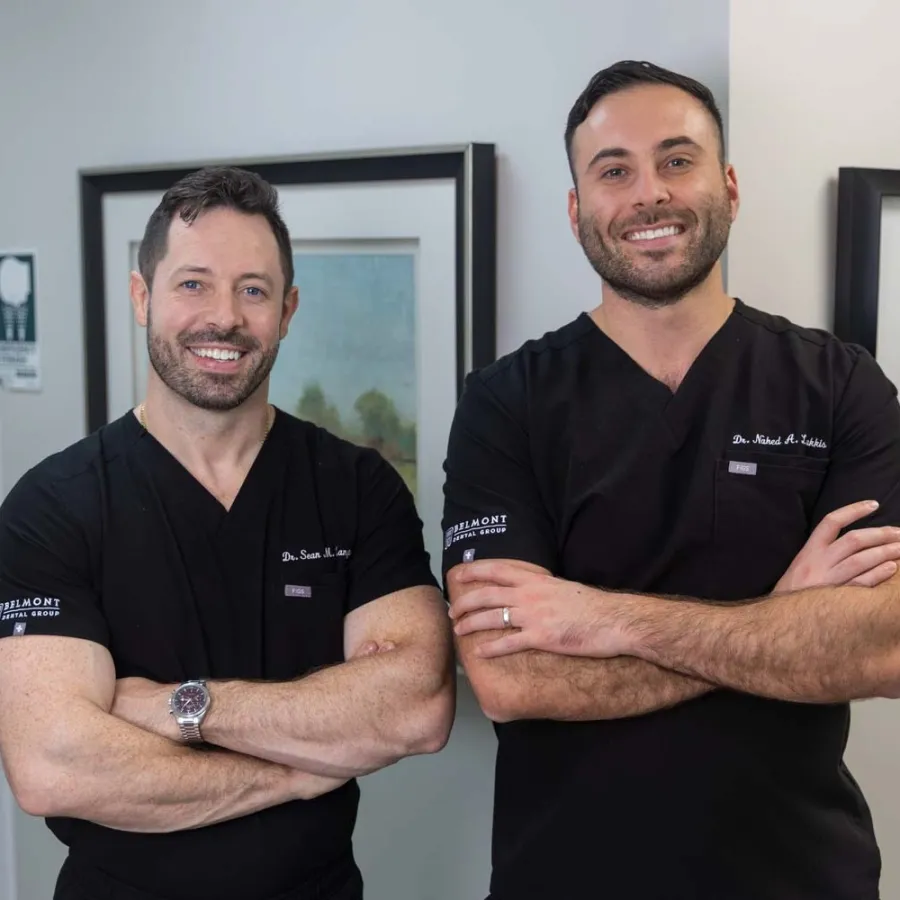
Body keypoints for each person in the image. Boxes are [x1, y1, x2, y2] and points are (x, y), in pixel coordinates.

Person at [442, 60, 900, 900]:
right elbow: (510, 680)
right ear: (579, 209)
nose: (649, 192)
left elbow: (882, 647)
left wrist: (596, 617)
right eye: (614, 170)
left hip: (801, 877)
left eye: (676, 159)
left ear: (728, 183)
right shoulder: (507, 403)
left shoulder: (840, 386)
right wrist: (784, 621)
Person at [0, 166, 455, 900]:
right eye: (192, 284)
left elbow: (416, 706)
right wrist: (304, 767)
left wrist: (179, 707)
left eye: (253, 289)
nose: (225, 317)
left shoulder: (355, 488)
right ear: (141, 297)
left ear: (288, 309)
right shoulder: (54, 506)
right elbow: (53, 764)